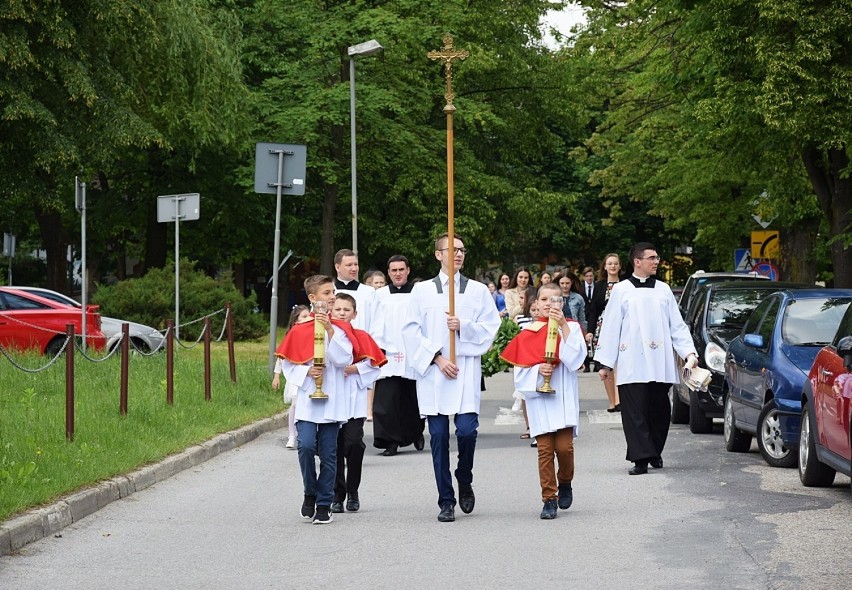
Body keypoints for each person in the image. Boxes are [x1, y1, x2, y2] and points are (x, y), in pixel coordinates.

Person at [402, 233, 500, 522]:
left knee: (467, 431)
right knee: (439, 437)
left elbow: (491, 326)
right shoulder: (421, 292)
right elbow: (410, 330)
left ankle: (464, 476)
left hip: (465, 371)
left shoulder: (478, 291)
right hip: (434, 374)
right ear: (437, 255)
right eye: (451, 250)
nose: (458, 254)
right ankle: (446, 499)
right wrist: (436, 357)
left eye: (461, 250)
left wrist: (464, 326)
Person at [593, 242, 698, 476]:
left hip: (659, 361)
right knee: (635, 411)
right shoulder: (621, 290)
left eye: (657, 258)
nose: (656, 262)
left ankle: (654, 451)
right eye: (651, 258)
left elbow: (676, 325)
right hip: (632, 361)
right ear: (637, 261)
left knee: (660, 410)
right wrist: (605, 363)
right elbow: (611, 326)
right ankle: (640, 458)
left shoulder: (663, 289)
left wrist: (689, 353)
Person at [501, 282, 586, 518]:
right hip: (540, 398)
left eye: (556, 300)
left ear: (563, 303)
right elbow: (520, 374)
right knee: (545, 450)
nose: (550, 304)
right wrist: (537, 371)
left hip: (563, 398)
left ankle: (565, 481)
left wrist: (562, 328)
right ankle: (549, 498)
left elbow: (575, 360)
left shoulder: (572, 328)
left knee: (564, 448)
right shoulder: (527, 334)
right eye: (545, 300)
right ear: (536, 304)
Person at [275, 275, 354, 524]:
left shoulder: (340, 328)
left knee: (329, 454)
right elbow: (288, 364)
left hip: (332, 399)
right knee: (306, 446)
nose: (332, 297)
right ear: (312, 298)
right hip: (309, 398)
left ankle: (323, 503)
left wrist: (330, 329)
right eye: (327, 293)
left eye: (333, 292)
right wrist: (305, 371)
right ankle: (310, 491)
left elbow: (344, 359)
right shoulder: (300, 330)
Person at [329, 293, 386, 514]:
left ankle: (353, 490)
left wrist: (355, 369)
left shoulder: (362, 336)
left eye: (347, 310)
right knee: (333, 446)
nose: (342, 313)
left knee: (353, 443)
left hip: (353, 398)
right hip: (332, 399)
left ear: (355, 314)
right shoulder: (325, 334)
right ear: (331, 311)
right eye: (338, 309)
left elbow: (376, 364)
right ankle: (337, 493)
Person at [372, 254, 426, 457]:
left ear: (408, 271)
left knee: (412, 397)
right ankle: (390, 441)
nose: (397, 273)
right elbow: (376, 323)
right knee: (386, 399)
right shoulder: (380, 295)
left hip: (412, 352)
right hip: (389, 351)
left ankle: (415, 433)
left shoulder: (419, 293)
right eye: (393, 270)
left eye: (401, 269)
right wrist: (378, 346)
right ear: (388, 273)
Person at [586, 253, 624, 411]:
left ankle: (621, 399)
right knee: (606, 365)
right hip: (603, 328)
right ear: (605, 267)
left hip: (623, 327)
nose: (613, 266)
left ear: (620, 266)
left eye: (616, 263)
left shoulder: (626, 285)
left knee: (620, 364)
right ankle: (612, 400)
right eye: (610, 263)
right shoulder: (600, 286)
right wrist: (590, 331)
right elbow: (593, 311)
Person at [272, 304, 311, 449]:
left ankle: (304, 434)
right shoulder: (291, 335)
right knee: (295, 404)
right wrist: (276, 376)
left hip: (308, 375)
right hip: (295, 375)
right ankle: (292, 435)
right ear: (296, 320)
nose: (308, 319)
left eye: (309, 316)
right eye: (304, 317)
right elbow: (282, 358)